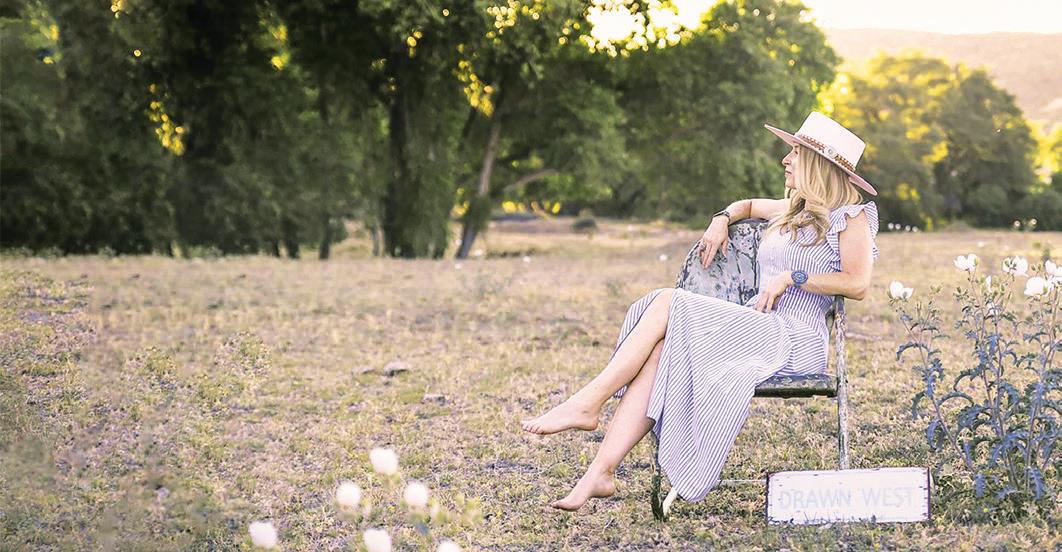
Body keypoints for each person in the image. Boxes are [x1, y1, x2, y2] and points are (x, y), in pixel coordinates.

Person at [519, 112, 881, 511]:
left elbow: (858, 283)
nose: (785, 160)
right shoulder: (792, 210)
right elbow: (745, 205)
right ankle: (600, 473)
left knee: (666, 301)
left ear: (817, 163)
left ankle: (589, 402)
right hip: (760, 328)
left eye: (795, 152)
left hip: (796, 339)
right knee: (661, 352)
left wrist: (794, 278)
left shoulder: (851, 218)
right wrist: (720, 219)